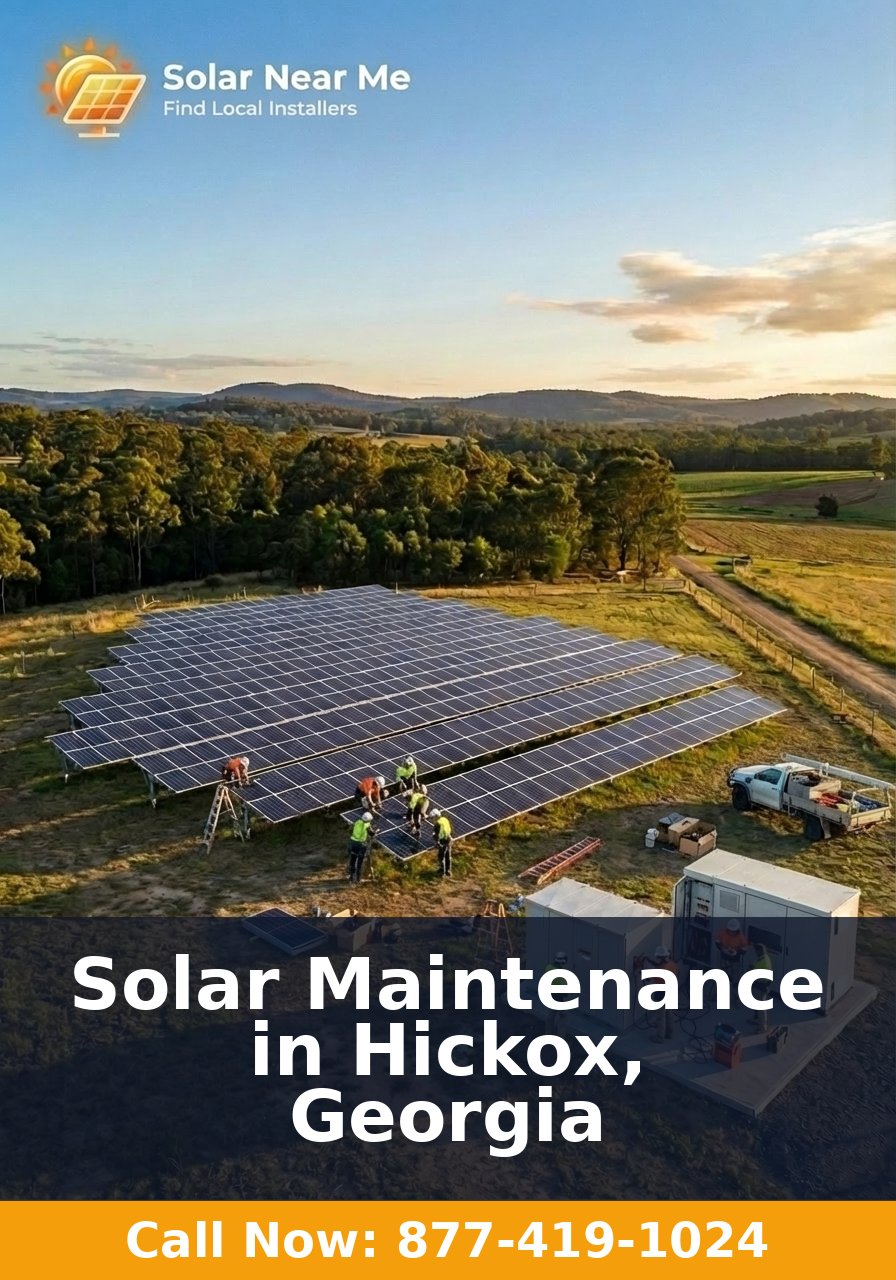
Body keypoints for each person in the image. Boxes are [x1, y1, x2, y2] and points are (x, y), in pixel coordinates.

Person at [647, 945, 679, 1043]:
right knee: (669, 1014)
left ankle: (660, 1037)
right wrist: (650, 962)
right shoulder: (673, 965)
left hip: (661, 994)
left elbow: (649, 978)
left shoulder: (659, 970)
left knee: (661, 1017)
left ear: (660, 958)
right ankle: (669, 1033)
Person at [750, 943, 774, 1033]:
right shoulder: (765, 958)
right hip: (761, 985)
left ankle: (762, 1028)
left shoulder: (763, 961)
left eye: (756, 951)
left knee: (761, 1008)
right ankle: (757, 1020)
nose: (755, 953)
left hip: (761, 986)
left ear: (759, 951)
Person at [347, 812, 374, 884]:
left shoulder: (357, 822)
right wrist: (375, 832)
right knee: (360, 862)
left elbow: (351, 830)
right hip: (361, 844)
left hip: (352, 843)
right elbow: (371, 833)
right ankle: (358, 879)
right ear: (368, 820)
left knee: (352, 860)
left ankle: (351, 877)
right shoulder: (367, 825)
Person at [430, 809, 453, 877]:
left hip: (443, 841)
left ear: (436, 816)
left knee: (441, 856)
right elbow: (449, 828)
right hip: (449, 839)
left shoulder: (437, 824)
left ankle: (442, 872)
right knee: (448, 856)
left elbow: (436, 835)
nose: (432, 819)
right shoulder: (444, 819)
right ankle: (448, 871)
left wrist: (437, 843)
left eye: (432, 818)